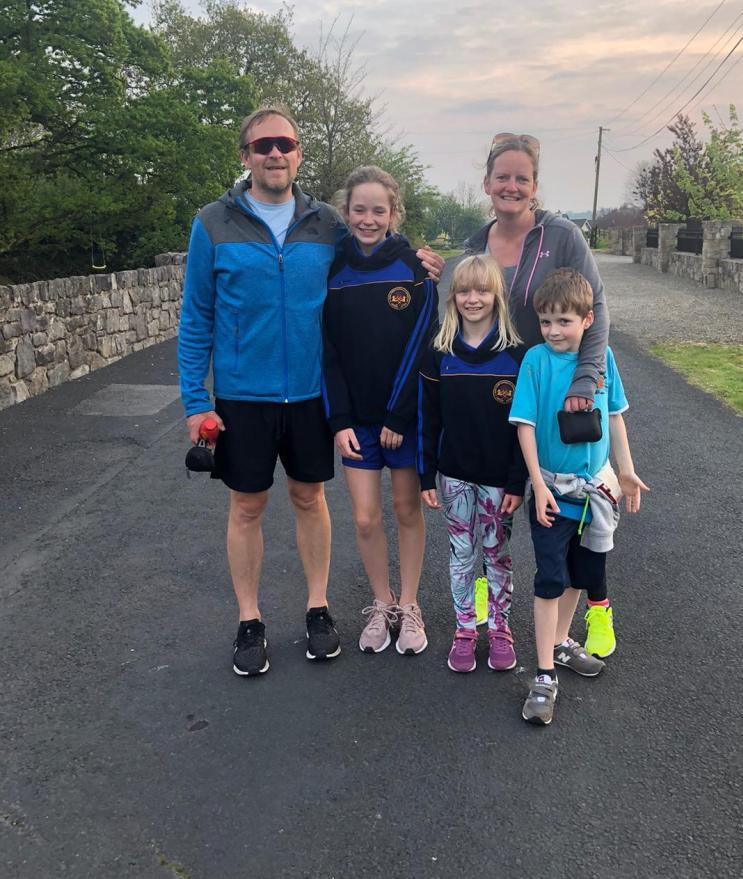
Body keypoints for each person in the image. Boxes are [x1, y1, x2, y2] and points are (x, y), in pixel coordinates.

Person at [177, 106, 442, 677]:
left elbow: (379, 243)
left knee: (308, 498)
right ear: (245, 155)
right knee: (246, 505)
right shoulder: (212, 223)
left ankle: (317, 608)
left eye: (285, 144)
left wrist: (420, 260)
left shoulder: (327, 223)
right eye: (262, 145)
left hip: (309, 394)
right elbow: (196, 317)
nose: (275, 154)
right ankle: (249, 619)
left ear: (298, 154)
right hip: (243, 395)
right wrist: (197, 401)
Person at [460, 132, 616, 659]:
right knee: (493, 505)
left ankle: (572, 625)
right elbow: (459, 302)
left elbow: (598, 308)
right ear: (487, 184)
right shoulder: (472, 244)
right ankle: (490, 602)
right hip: (492, 397)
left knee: (564, 520)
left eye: (521, 177)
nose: (511, 185)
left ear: (534, 185)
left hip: (553, 397)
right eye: (501, 176)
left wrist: (585, 379)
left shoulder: (562, 235)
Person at [508, 269, 648, 725]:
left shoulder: (602, 358)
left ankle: (561, 642)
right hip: (553, 492)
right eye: (546, 321)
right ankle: (544, 674)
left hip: (595, 494)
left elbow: (616, 417)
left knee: (574, 576)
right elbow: (525, 425)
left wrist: (625, 471)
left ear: (588, 320)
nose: (553, 331)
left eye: (564, 321)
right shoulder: (535, 362)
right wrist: (539, 485)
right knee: (550, 578)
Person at [322, 166, 437, 656]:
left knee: (405, 509)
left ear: (394, 214)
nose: (368, 219)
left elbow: (422, 349)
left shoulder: (416, 270)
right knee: (366, 519)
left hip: (403, 420)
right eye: (359, 209)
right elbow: (327, 351)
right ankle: (382, 602)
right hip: (357, 424)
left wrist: (397, 415)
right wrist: (340, 421)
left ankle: (409, 604)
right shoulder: (334, 271)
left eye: (379, 210)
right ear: (346, 212)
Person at [418, 256, 526, 673]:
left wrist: (518, 483)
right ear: (453, 297)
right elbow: (428, 421)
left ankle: (500, 627)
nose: (473, 299)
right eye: (464, 290)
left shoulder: (517, 357)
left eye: (482, 290)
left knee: (497, 554)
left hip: (500, 481)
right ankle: (466, 628)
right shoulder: (439, 353)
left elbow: (525, 427)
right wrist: (426, 474)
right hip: (456, 476)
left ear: (497, 295)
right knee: (461, 554)